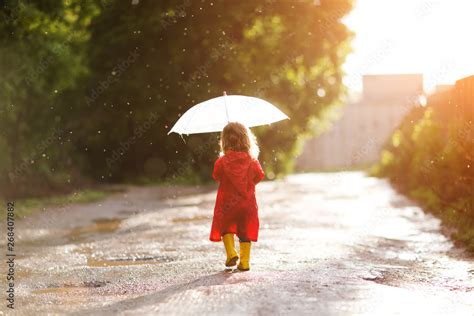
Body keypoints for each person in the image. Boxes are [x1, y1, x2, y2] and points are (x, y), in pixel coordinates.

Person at [209, 122, 265, 271]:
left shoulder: (222, 161)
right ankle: (245, 262)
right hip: (247, 203)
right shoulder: (252, 160)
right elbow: (259, 175)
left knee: (225, 226)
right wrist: (248, 183)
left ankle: (231, 253)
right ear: (247, 139)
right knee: (245, 231)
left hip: (227, 203)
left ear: (224, 141)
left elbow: (216, 175)